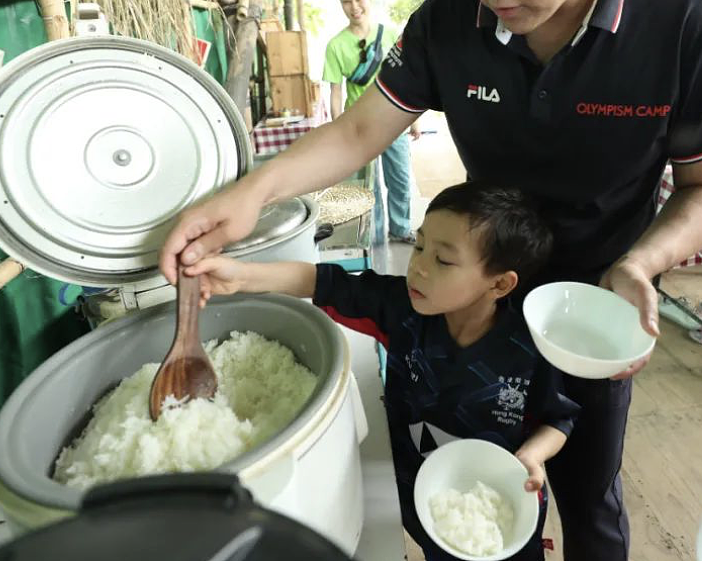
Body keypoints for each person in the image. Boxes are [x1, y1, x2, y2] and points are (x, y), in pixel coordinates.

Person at [161, 0, 702, 558]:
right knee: (459, 488)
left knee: (589, 497)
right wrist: (251, 192)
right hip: (468, 293)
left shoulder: (688, 25)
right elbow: (358, 130)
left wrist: (642, 263)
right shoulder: (446, 21)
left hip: (594, 314)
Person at [183, 182, 579, 560]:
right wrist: (242, 277)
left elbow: (558, 420)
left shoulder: (528, 348)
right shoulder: (403, 311)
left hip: (498, 500)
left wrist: (532, 455)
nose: (418, 268)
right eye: (420, 246)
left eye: (442, 260)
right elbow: (321, 282)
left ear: (499, 284)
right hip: (419, 490)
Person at [324, 0, 420, 244]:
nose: (354, 7)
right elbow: (335, 90)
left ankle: (400, 229)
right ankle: (374, 234)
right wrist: (337, 130)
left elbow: (409, 79)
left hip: (394, 121)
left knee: (399, 180)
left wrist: (414, 119)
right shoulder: (335, 46)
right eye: (346, 2)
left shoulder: (390, 35)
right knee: (368, 186)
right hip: (359, 127)